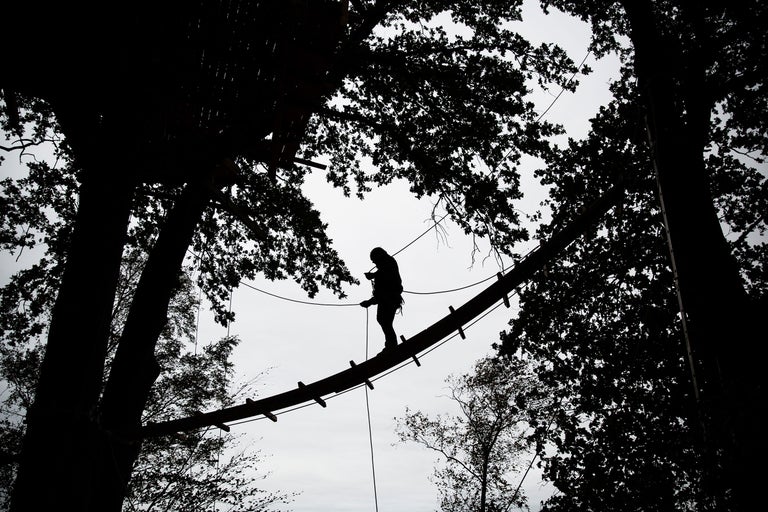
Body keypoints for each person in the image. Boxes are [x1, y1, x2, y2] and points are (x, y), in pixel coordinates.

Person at [359, 247, 404, 353]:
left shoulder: (389, 263)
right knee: (383, 320)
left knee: (385, 321)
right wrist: (370, 302)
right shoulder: (384, 267)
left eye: (374, 260)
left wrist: (369, 302)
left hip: (390, 297)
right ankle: (391, 345)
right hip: (387, 298)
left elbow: (385, 275)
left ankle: (391, 345)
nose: (374, 262)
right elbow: (381, 291)